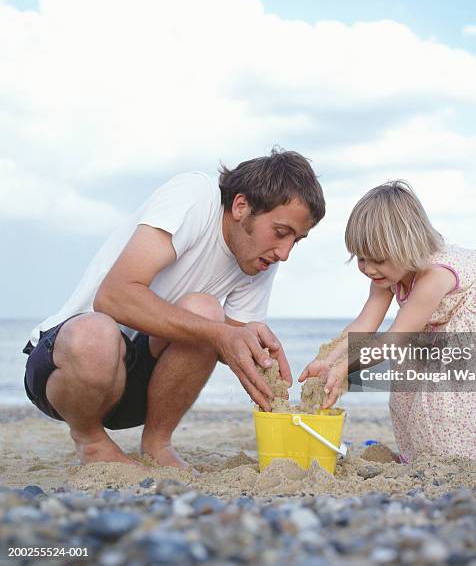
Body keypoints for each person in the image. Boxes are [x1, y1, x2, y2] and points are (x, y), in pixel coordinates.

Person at [23, 149, 325, 470]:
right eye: (281, 233)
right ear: (240, 206)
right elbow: (112, 297)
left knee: (206, 312)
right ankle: (90, 440)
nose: (285, 252)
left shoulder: (260, 258)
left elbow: (226, 342)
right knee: (98, 332)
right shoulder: (196, 196)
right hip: (69, 373)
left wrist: (254, 348)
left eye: (297, 240)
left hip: (138, 391)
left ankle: (157, 443)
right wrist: (222, 333)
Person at [299, 180, 476, 462]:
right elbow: (365, 324)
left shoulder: (435, 276)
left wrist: (346, 368)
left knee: (453, 401)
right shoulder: (387, 271)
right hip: (440, 330)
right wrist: (330, 359)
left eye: (376, 259)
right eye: (360, 259)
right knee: (412, 395)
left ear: (407, 248)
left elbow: (395, 339)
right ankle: (429, 453)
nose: (368, 268)